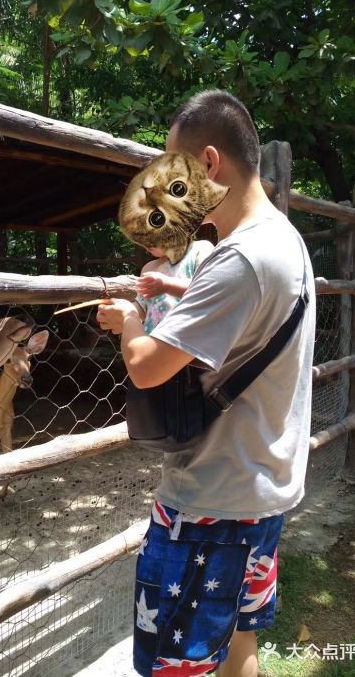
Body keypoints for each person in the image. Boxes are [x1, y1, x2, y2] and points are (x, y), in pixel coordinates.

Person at [96, 90, 316, 677]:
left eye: (175, 169)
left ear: (210, 165)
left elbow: (145, 366)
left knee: (177, 665)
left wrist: (130, 318)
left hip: (211, 503)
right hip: (262, 491)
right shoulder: (284, 240)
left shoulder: (240, 258)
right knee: (241, 645)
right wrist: (171, 291)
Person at [135, 239, 214, 335]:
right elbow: (142, 307)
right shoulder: (148, 267)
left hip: (189, 339)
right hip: (154, 340)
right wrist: (125, 310)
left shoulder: (200, 248)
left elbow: (207, 290)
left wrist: (168, 285)